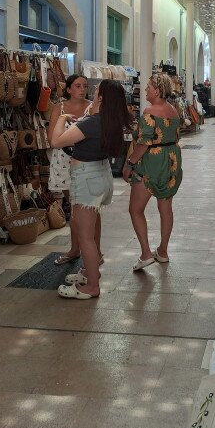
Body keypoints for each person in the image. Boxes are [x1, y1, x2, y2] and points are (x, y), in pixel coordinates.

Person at [51, 80, 133, 299]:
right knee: (88, 230)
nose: (92, 93)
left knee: (85, 236)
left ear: (102, 98)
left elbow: (56, 141)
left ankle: (92, 286)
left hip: (86, 179)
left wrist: (62, 118)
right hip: (100, 175)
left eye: (96, 91)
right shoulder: (110, 121)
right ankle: (89, 271)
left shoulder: (91, 123)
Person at [123, 73, 183, 270]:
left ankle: (146, 253)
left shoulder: (150, 111)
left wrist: (130, 164)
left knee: (135, 209)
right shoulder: (173, 110)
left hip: (151, 163)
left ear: (157, 91)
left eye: (148, 87)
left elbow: (144, 142)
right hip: (171, 161)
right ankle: (163, 251)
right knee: (165, 209)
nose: (145, 90)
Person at [47, 75, 91, 266]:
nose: (82, 89)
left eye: (85, 86)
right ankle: (75, 249)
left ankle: (90, 249)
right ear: (69, 89)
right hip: (64, 161)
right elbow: (51, 137)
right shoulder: (60, 108)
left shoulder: (92, 107)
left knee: (87, 207)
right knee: (74, 206)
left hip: (86, 161)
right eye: (78, 86)